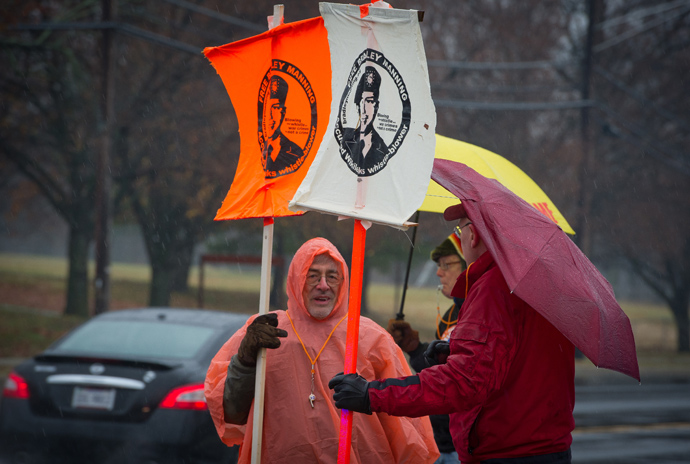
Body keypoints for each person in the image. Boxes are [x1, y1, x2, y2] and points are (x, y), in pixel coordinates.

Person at [329, 205, 576, 464]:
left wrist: (372, 394)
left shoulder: (494, 289)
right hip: (549, 449)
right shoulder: (541, 286)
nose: (460, 237)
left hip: (507, 453)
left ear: (474, 235)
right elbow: (517, 363)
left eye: (460, 228)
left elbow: (463, 383)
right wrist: (455, 356)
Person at [205, 237, 439, 464]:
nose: (323, 285)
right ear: (297, 280)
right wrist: (245, 360)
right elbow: (232, 412)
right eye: (312, 275)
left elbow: (406, 422)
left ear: (344, 282)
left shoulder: (370, 338)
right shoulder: (265, 330)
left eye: (332, 276)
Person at [387, 233, 466, 463]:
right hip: (438, 440)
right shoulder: (450, 315)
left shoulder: (480, 312)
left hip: (461, 446)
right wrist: (414, 348)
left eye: (446, 265)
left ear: (468, 267)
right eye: (438, 265)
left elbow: (459, 378)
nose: (438, 272)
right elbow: (441, 369)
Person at [340, 66, 387, 171]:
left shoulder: (383, 149)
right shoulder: (345, 139)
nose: (365, 109)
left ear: (376, 107)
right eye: (362, 101)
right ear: (357, 106)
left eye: (369, 101)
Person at [262, 74, 304, 175]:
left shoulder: (296, 153)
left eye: (275, 108)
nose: (270, 116)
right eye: (268, 109)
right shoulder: (254, 152)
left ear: (283, 113)